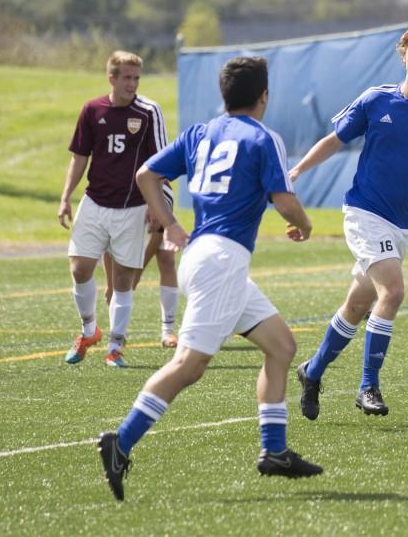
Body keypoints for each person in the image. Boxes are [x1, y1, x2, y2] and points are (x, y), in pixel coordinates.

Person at [97, 56, 323, 502]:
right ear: (264, 96)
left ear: (224, 95)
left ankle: (274, 451)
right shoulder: (263, 137)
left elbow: (146, 174)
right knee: (188, 366)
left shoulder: (201, 132)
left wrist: (169, 224)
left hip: (205, 255)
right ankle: (120, 442)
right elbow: (284, 200)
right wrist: (306, 225)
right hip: (221, 262)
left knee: (281, 346)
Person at [290, 20, 408, 419]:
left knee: (357, 303)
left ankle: (312, 371)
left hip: (402, 223)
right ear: (404, 53)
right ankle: (368, 385)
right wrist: (296, 171)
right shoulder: (375, 100)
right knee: (394, 292)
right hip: (365, 212)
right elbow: (335, 140)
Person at [58, 51, 169, 368]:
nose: (132, 84)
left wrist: (154, 202)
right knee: (79, 268)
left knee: (122, 280)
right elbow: (80, 157)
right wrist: (66, 196)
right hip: (94, 203)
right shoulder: (92, 110)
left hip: (132, 207)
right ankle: (88, 331)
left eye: (136, 78)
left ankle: (115, 347)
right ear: (112, 78)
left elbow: (158, 161)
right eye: (126, 78)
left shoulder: (147, 113)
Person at [103, 214, 180, 349]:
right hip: (121, 206)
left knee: (167, 257)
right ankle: (117, 333)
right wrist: (110, 284)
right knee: (115, 276)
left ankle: (168, 331)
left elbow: (159, 233)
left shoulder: (159, 194)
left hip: (153, 204)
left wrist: (138, 271)